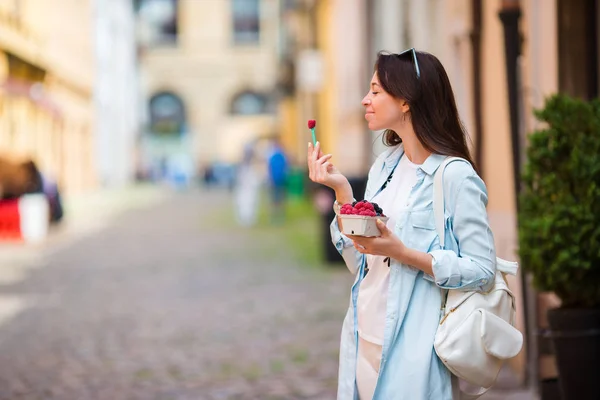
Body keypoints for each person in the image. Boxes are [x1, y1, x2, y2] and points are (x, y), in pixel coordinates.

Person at [307, 49, 496, 400]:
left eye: (376, 91)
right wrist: (343, 192)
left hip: (416, 348)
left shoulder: (455, 177)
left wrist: (405, 253)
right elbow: (360, 261)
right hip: (364, 336)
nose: (366, 100)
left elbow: (483, 270)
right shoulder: (385, 167)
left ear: (406, 101)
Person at [266, 138, 289, 224]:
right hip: (278, 181)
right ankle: (277, 217)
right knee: (277, 200)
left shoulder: (274, 156)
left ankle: (277, 217)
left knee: (277, 200)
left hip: (278, 181)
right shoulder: (280, 156)